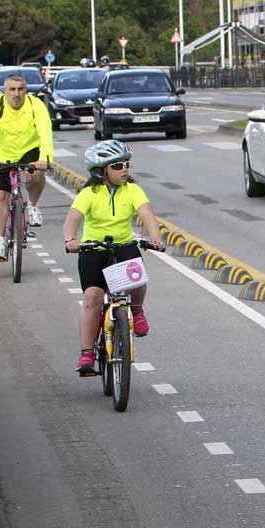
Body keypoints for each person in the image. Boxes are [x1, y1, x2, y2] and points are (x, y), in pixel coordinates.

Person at [63, 140, 164, 375]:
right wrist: (70, 240)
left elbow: (147, 214)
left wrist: (155, 237)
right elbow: (73, 218)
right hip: (93, 250)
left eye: (126, 164)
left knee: (137, 278)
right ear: (101, 171)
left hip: (123, 247)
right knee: (93, 297)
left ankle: (137, 311)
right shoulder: (90, 193)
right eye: (117, 166)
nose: (124, 170)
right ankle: (87, 354)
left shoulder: (133, 190)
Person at [0, 73, 54, 262]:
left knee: (37, 173)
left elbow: (45, 131)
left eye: (21, 89)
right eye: (12, 89)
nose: (16, 94)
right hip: (0, 154)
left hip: (29, 148)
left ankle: (33, 206)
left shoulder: (36, 105)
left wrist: (44, 158)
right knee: (1, 196)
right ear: (4, 91)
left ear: (26, 91)